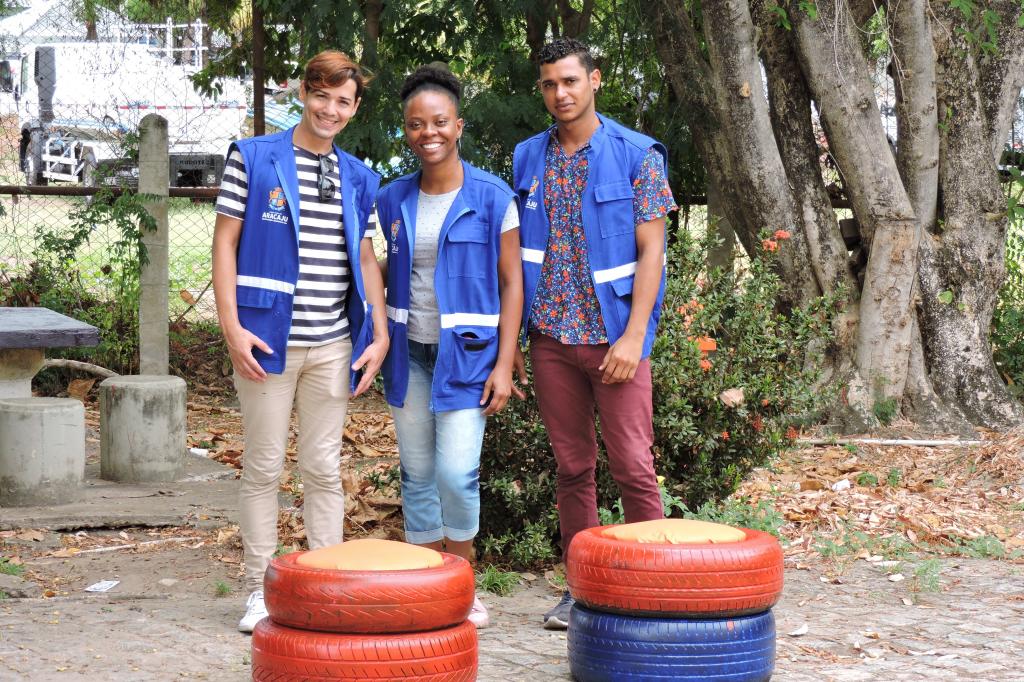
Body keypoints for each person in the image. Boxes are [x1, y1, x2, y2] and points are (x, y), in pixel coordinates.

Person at [212, 50, 388, 633]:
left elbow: (366, 258)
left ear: (354, 108)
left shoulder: (359, 177)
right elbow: (225, 243)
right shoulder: (254, 157)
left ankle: (324, 584)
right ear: (304, 94)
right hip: (266, 342)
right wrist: (232, 327)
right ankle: (260, 590)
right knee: (263, 466)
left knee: (323, 468)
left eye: (343, 101)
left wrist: (380, 332)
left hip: (333, 345)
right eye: (321, 95)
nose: (330, 109)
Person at [512, 38, 678, 630]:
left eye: (570, 81)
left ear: (594, 80)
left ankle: (652, 588)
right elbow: (519, 254)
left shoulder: (637, 155)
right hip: (551, 339)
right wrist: (517, 343)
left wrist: (634, 338)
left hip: (614, 341)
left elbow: (652, 251)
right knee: (573, 467)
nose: (560, 93)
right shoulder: (527, 157)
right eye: (550, 84)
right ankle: (582, 590)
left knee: (633, 464)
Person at [376, 64, 524, 629]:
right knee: (417, 473)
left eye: (439, 122)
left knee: (456, 473)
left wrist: (505, 363)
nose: (428, 133)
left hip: (468, 357)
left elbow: (513, 282)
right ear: (406, 130)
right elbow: (382, 268)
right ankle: (424, 585)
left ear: (458, 125)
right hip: (409, 355)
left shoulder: (492, 196)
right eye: (416, 124)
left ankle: (461, 584)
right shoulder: (392, 199)